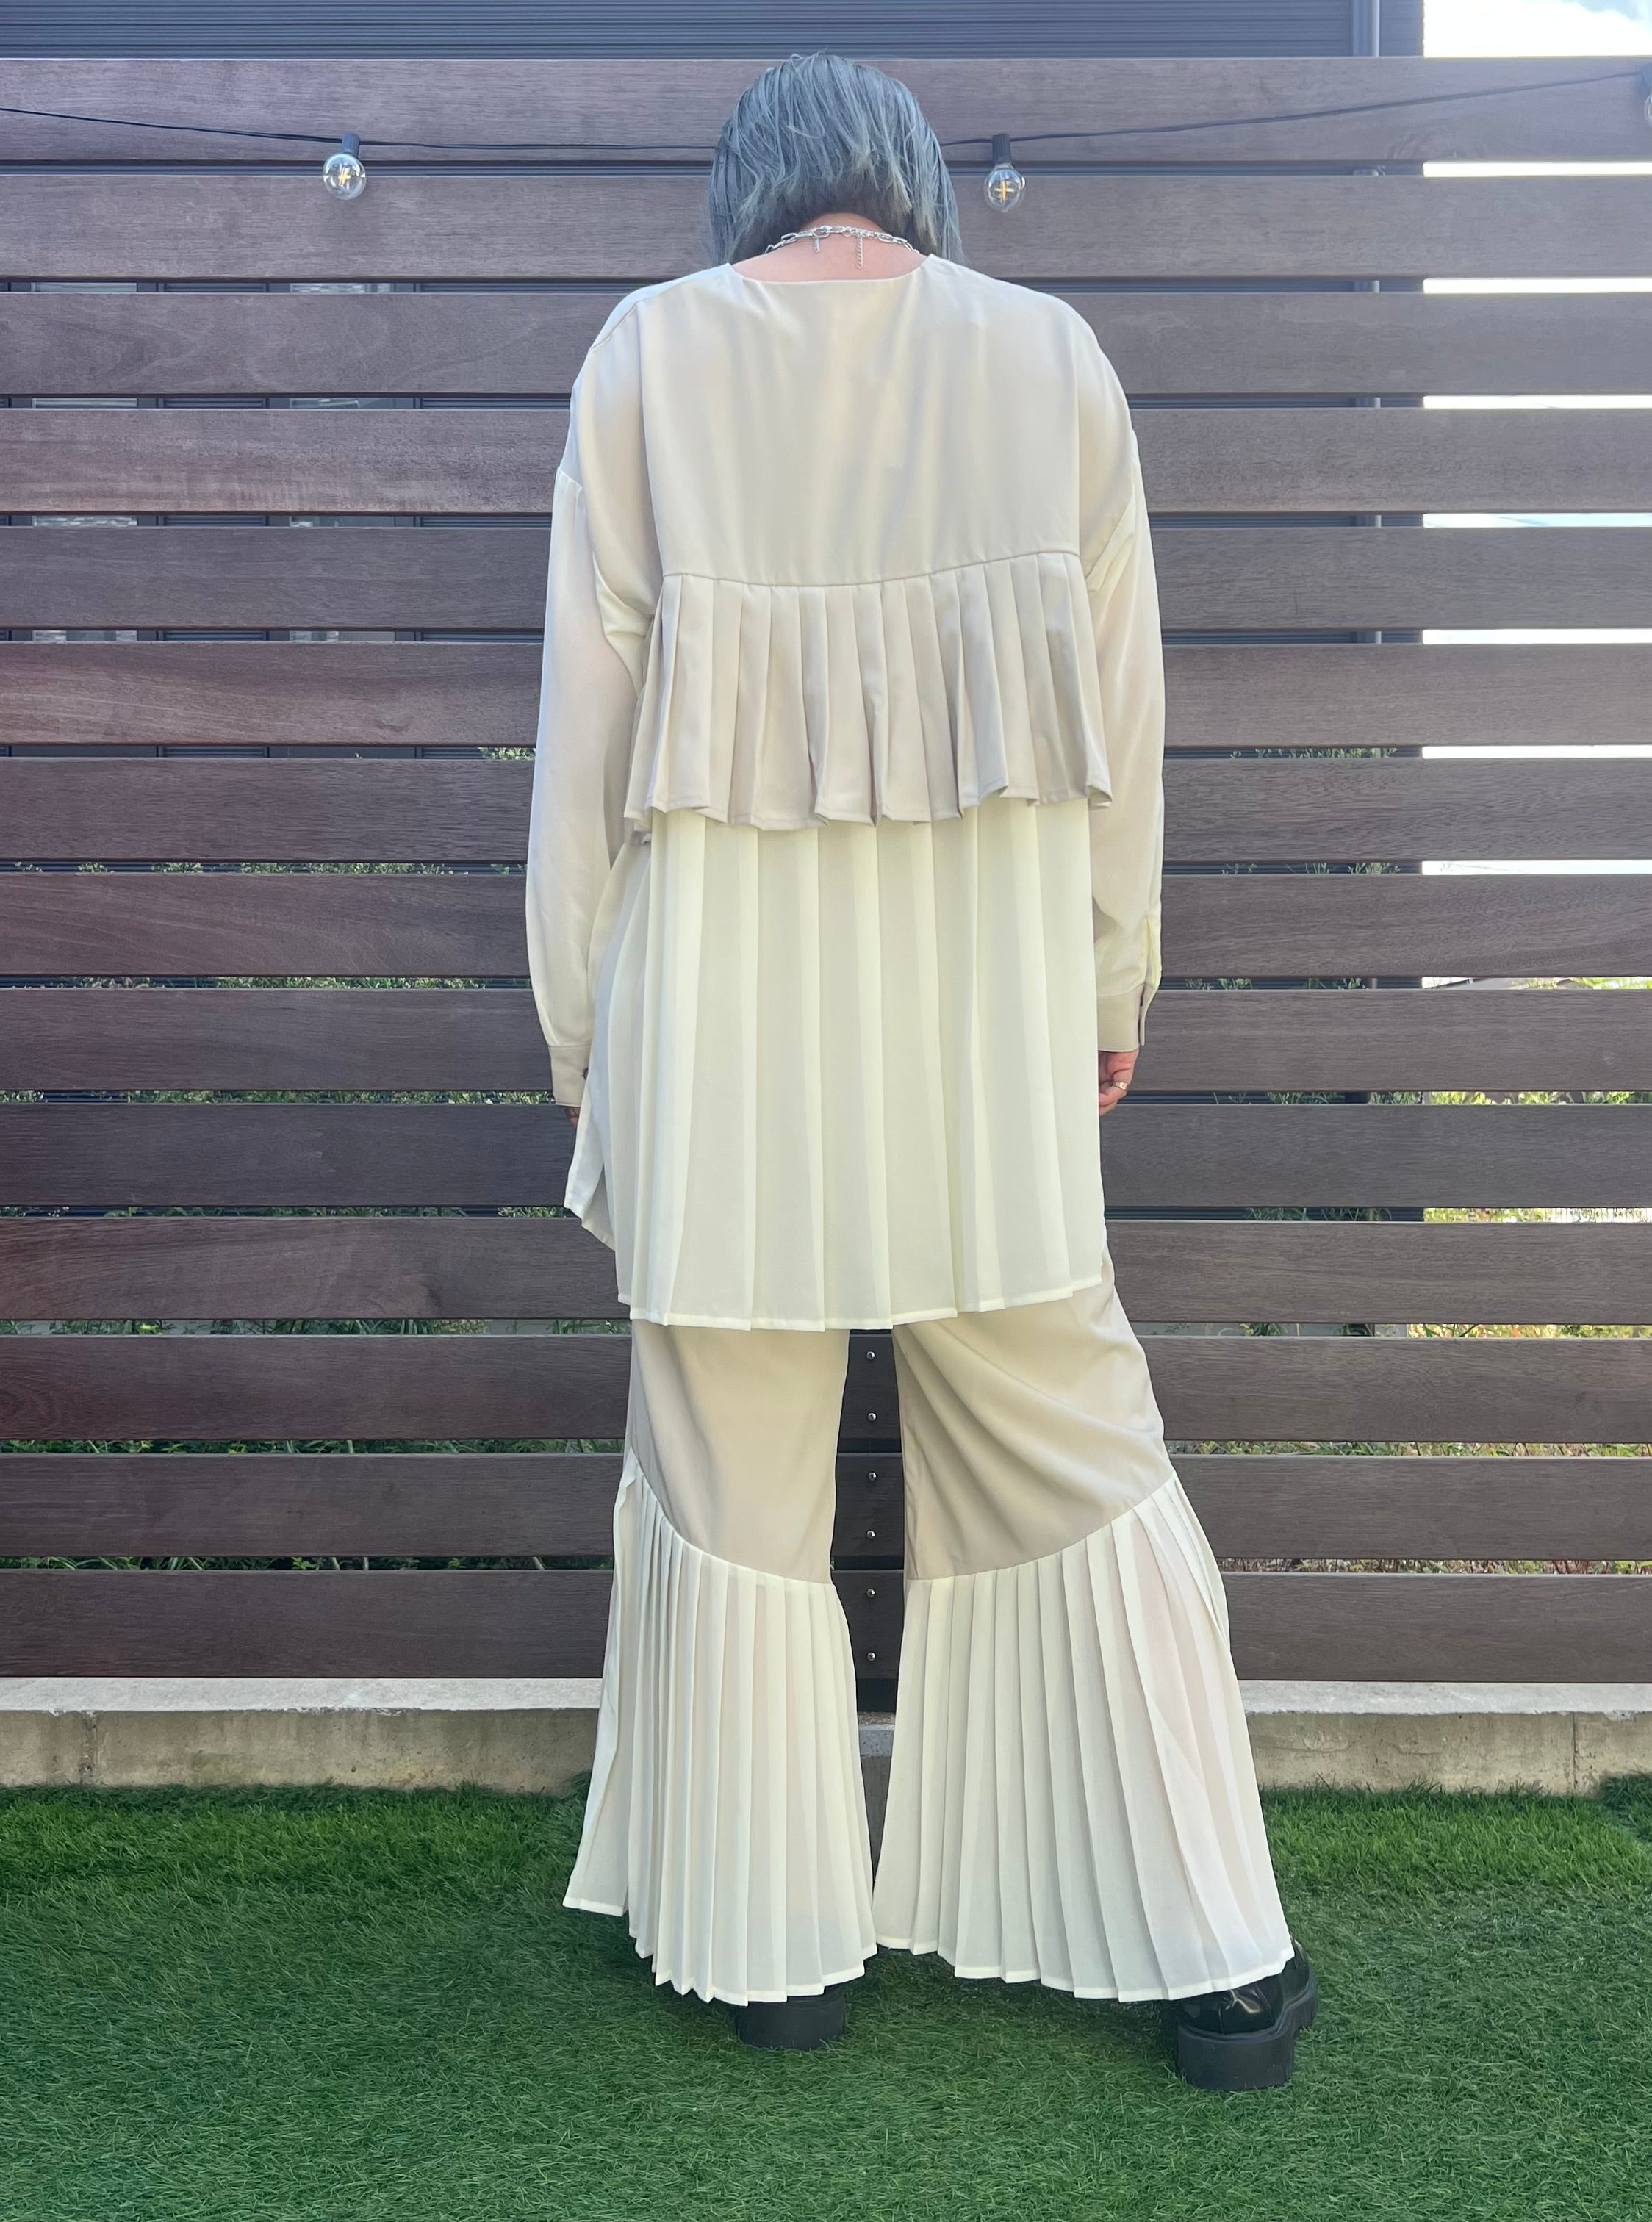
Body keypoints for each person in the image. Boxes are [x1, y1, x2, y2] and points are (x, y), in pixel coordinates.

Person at [525, 50, 1313, 2092]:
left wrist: (580, 1027)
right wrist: (1112, 982)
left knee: (728, 1470)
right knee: (1075, 1449)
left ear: (750, 195)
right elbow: (1127, 726)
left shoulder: (646, 357)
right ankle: (1211, 1955)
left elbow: (583, 738)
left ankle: (769, 1953)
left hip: (715, 1019)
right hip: (984, 1027)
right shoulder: (1052, 363)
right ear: (916, 189)